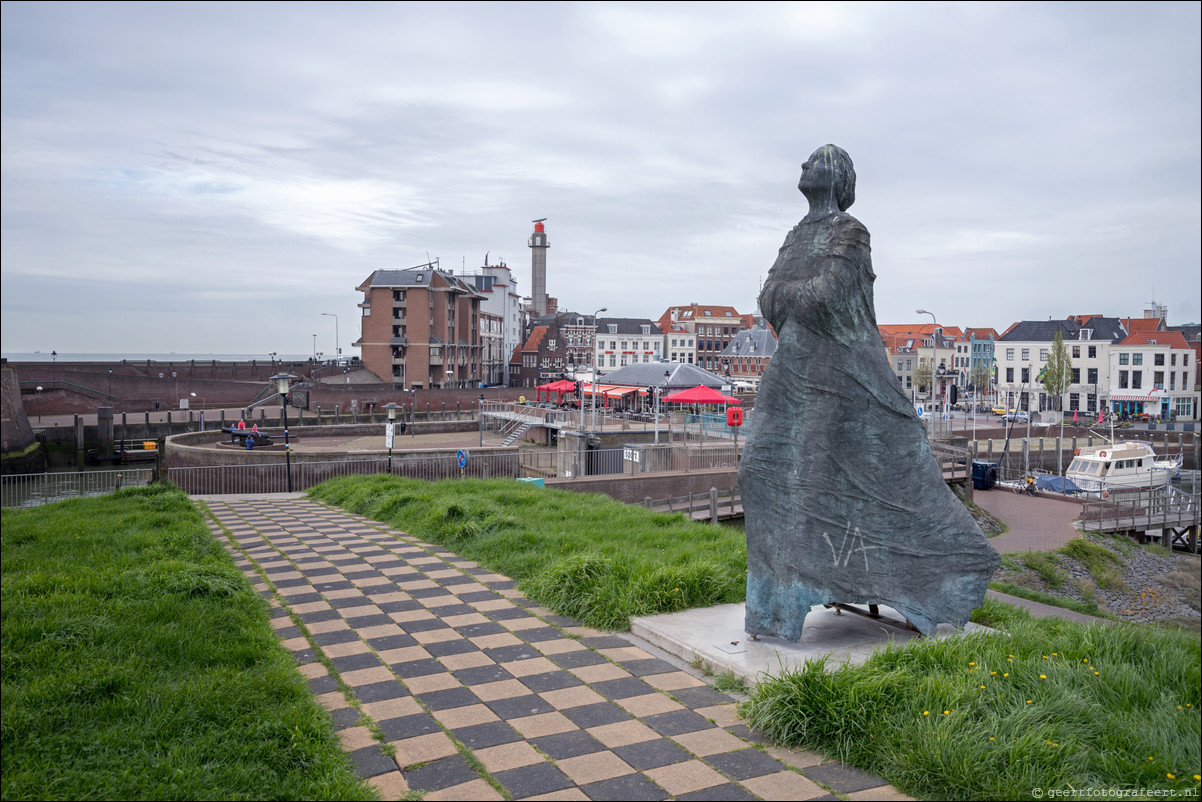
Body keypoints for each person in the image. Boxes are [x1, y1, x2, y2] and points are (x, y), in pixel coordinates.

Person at [739, 145, 998, 639]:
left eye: (814, 161)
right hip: (793, 366)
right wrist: (794, 300)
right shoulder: (797, 235)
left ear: (835, 177)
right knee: (758, 470)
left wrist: (792, 299)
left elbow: (824, 295)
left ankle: (815, 591)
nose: (802, 166)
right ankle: (775, 596)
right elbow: (769, 298)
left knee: (814, 483)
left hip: (839, 376)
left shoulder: (850, 232)